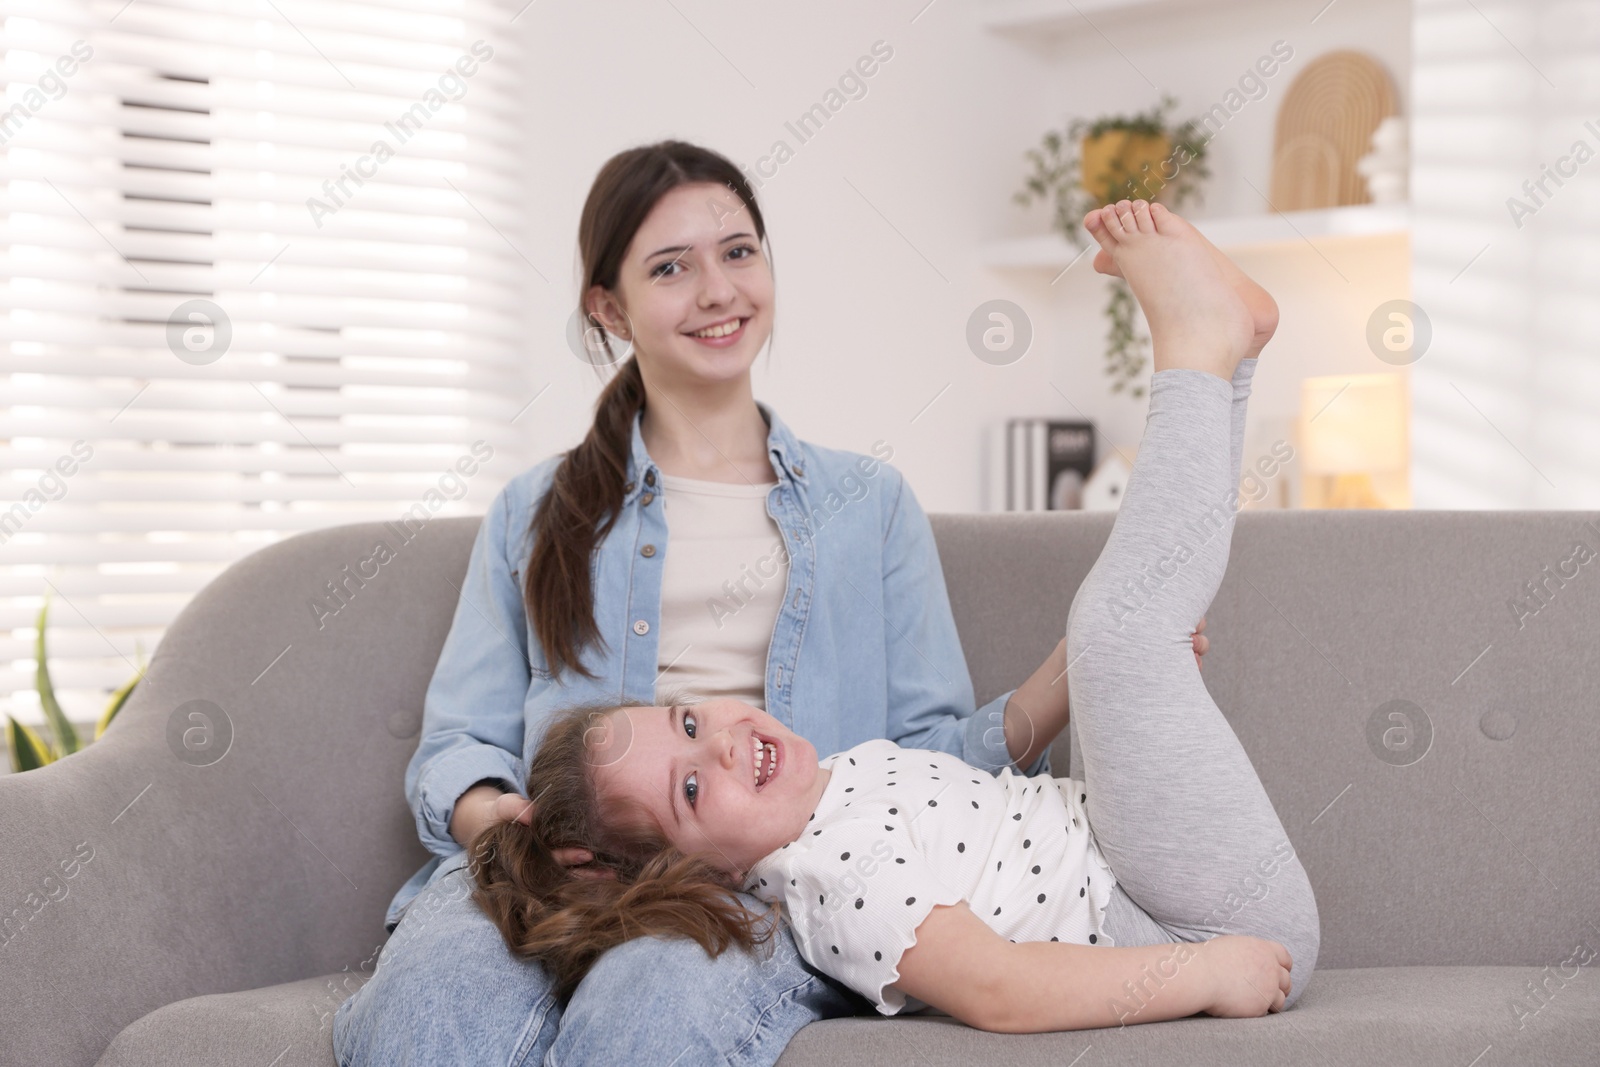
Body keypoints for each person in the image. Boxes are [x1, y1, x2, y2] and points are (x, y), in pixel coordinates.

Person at [332, 141, 1211, 1064]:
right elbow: (457, 744)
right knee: (429, 1010)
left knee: (652, 1006)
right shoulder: (535, 510)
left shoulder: (866, 505)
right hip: (547, 867)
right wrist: (502, 822)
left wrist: (1088, 663)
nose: (718, 291)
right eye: (671, 267)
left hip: (758, 878)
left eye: (738, 252)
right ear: (608, 307)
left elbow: (928, 760)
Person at [463, 198, 1320, 1034]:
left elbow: (955, 766)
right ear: (695, 875)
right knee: (1119, 629)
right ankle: (1199, 352)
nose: (720, 743)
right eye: (692, 789)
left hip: (1114, 846)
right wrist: (1204, 972)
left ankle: (1231, 349)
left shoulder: (836, 778)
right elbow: (1002, 990)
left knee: (1109, 643)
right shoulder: (836, 878)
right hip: (1181, 922)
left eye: (688, 719)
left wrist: (1097, 685)